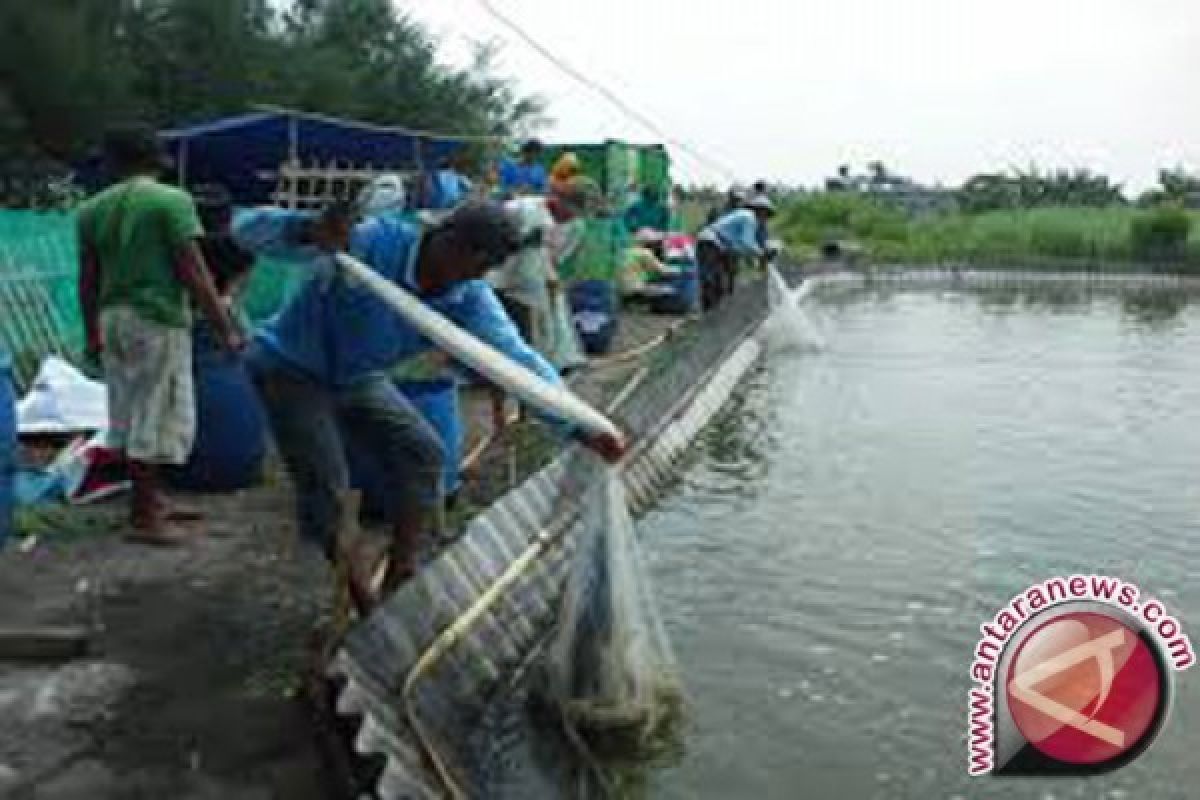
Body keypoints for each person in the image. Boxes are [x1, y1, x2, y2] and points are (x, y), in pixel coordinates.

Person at [233, 201, 624, 610]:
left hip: (355, 376)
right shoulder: (372, 242)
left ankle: (400, 576)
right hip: (292, 368)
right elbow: (247, 229)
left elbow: (516, 362)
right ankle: (364, 605)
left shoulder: (468, 297)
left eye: (487, 268)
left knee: (424, 454)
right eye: (475, 260)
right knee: (327, 491)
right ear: (446, 239)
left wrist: (583, 426)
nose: (475, 275)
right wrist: (308, 229)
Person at [77, 125, 243, 544]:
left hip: (113, 317)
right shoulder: (171, 201)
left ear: (113, 163)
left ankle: (150, 503)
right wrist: (225, 328)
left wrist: (91, 332)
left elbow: (87, 280)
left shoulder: (91, 209)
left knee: (130, 408)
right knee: (156, 411)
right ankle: (144, 518)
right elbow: (194, 272)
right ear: (156, 160)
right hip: (156, 319)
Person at [695, 201, 771, 309]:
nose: (765, 219)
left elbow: (741, 246)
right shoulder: (749, 218)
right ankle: (710, 314)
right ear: (760, 211)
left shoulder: (743, 215)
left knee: (718, 282)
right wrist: (762, 253)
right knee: (711, 280)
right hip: (711, 242)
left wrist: (755, 259)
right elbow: (746, 242)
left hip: (714, 243)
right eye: (765, 214)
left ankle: (713, 312)